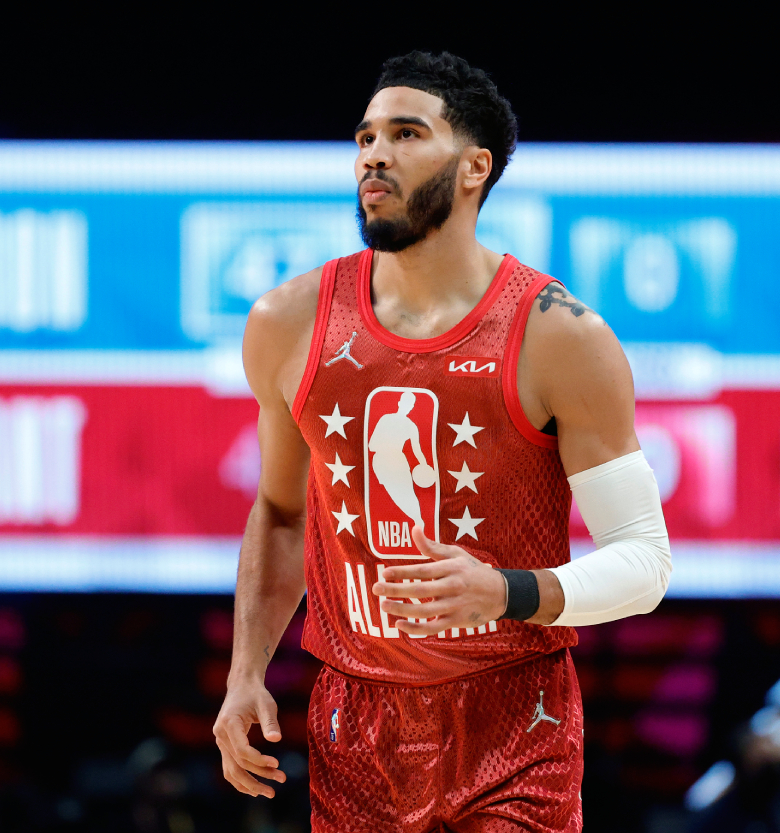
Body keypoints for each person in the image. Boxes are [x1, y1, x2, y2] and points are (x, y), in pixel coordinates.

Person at [212, 50, 673, 832]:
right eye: (364, 137)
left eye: (405, 133)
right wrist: (245, 670)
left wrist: (506, 590)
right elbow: (283, 514)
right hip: (355, 719)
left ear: (474, 167)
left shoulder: (560, 335)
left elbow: (645, 560)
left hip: (514, 713)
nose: (374, 154)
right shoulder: (286, 323)